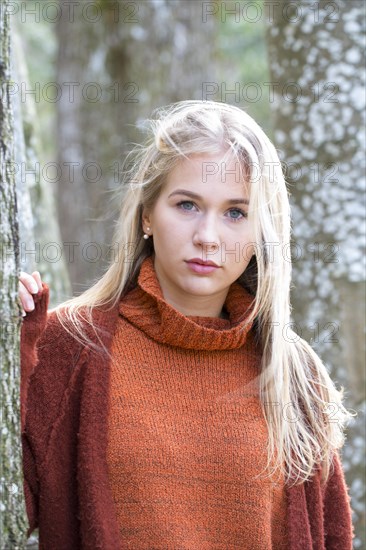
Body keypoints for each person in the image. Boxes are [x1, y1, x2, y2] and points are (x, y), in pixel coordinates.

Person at [19, 100, 355, 549]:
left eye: (236, 213)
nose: (208, 236)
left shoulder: (291, 371)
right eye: (187, 205)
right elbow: (13, 503)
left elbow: (333, 536)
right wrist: (17, 361)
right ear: (146, 215)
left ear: (260, 234)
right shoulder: (70, 345)